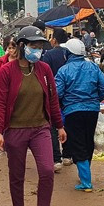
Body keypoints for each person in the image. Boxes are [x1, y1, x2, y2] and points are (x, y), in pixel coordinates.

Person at [0, 26, 65, 206]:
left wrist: (59, 126)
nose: (38, 51)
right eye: (34, 46)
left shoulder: (44, 69)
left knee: (47, 170)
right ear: (23, 46)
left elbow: (52, 99)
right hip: (15, 130)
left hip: (40, 128)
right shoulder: (7, 71)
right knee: (16, 175)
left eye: (41, 46)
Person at [55, 38, 104, 191]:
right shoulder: (92, 66)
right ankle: (85, 173)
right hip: (92, 110)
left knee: (78, 144)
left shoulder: (63, 70)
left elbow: (57, 92)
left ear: (68, 53)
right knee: (87, 142)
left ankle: (86, 182)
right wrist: (97, 98)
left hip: (73, 112)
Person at [42, 28, 71, 171]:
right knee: (67, 124)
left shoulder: (49, 55)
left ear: (54, 39)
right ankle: (68, 155)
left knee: (53, 125)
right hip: (70, 96)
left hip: (53, 95)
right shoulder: (71, 54)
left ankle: (56, 159)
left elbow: (43, 75)